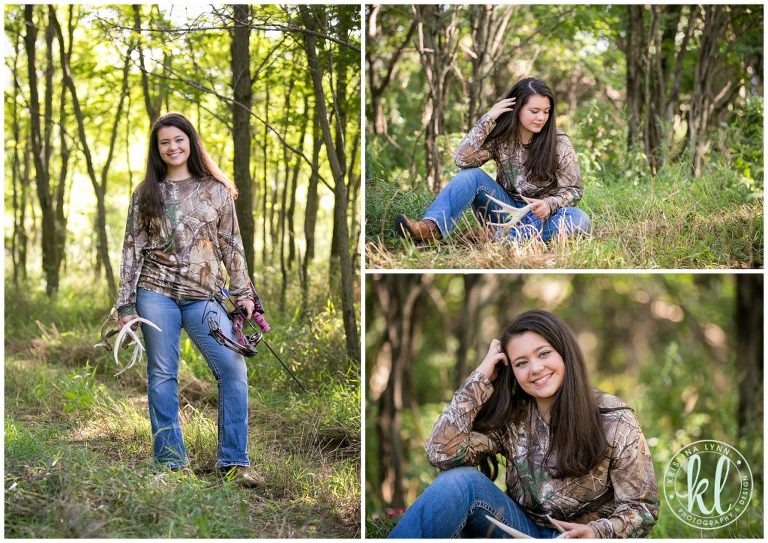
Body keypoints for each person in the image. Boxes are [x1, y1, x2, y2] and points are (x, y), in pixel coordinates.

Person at [388, 310, 659, 538]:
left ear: (565, 353)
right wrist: (480, 376)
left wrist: (597, 532)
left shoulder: (614, 418)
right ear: (512, 372)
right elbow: (441, 452)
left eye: (543, 354)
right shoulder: (513, 416)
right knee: (459, 481)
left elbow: (643, 509)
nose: (535, 369)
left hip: (582, 538)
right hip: (521, 531)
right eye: (521, 363)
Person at [115, 112, 267, 487]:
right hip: (155, 293)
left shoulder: (216, 190)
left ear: (191, 142)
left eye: (178, 140)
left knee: (233, 368)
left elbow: (233, 246)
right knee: (163, 374)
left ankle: (234, 462)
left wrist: (244, 294)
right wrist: (125, 306)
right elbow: (131, 250)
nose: (172, 147)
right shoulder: (145, 193)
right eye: (164, 142)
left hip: (204, 296)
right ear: (157, 149)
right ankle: (170, 464)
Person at [395, 78, 591, 243]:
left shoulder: (559, 143)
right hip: (503, 211)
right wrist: (488, 118)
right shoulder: (502, 138)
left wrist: (550, 204)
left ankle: (497, 238)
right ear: (517, 109)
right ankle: (431, 228)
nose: (541, 117)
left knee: (580, 220)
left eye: (546, 111)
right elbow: (462, 159)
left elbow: (574, 191)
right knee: (470, 175)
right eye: (534, 111)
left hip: (543, 216)